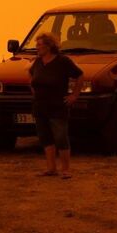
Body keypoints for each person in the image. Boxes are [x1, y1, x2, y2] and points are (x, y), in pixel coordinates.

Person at [29, 32, 86, 179]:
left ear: (49, 46)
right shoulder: (37, 62)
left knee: (60, 137)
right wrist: (34, 91)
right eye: (37, 45)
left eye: (40, 45)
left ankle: (66, 169)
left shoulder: (63, 61)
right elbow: (31, 75)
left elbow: (80, 75)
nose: (37, 48)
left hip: (57, 106)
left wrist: (74, 95)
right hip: (40, 106)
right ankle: (51, 168)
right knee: (45, 137)